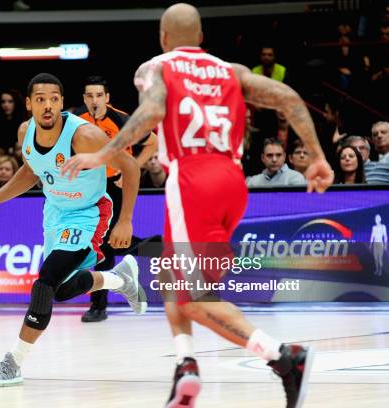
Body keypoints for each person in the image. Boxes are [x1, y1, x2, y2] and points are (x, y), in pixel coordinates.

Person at [61, 4, 334, 408]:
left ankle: (283, 358)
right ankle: (186, 366)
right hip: (232, 180)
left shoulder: (160, 66)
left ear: (164, 38)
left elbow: (152, 110)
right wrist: (316, 155)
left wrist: (103, 154)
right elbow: (289, 98)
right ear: (202, 38)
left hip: (192, 180)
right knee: (174, 273)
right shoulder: (232, 71)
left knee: (193, 296)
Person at [0, 73, 145, 388]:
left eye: (54, 99)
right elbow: (31, 171)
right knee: (63, 290)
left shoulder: (84, 135)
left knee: (45, 283)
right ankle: (120, 278)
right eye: (40, 99)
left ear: (61, 102)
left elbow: (130, 166)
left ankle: (12, 362)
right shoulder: (25, 131)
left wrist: (126, 220)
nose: (48, 105)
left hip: (89, 214)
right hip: (55, 213)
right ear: (28, 104)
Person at [74, 75, 159, 322]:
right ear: (84, 99)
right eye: (89, 96)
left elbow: (153, 142)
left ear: (107, 98)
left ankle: (98, 306)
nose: (94, 100)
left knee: (105, 243)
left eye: (99, 95)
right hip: (90, 188)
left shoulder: (121, 119)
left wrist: (131, 168)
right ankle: (159, 248)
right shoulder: (77, 120)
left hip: (115, 187)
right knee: (105, 243)